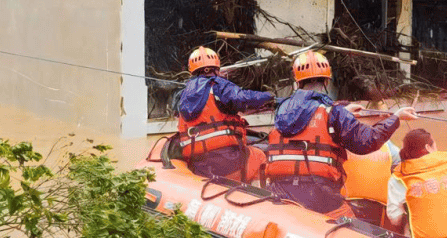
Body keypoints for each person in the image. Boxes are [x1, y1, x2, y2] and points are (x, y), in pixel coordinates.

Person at [264, 51, 417, 218]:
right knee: (354, 227)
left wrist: (343, 112)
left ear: (297, 82)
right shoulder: (334, 113)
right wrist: (396, 117)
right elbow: (367, 141)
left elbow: (310, 112)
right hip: (318, 195)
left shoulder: (281, 110)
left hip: (279, 190)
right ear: (327, 81)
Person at [176, 46, 273, 181]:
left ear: (192, 70)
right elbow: (242, 98)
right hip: (226, 160)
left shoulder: (183, 95)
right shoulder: (218, 85)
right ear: (216, 68)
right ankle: (254, 198)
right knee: (260, 156)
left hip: (198, 164)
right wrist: (268, 97)